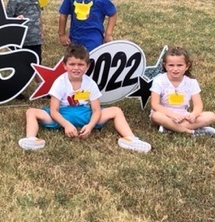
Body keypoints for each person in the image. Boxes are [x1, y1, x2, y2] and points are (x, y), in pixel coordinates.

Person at [18, 44, 152, 152]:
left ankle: (130, 139)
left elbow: (97, 110)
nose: (76, 68)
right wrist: (67, 125)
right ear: (65, 65)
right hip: (61, 115)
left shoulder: (90, 83)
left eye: (81, 64)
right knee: (31, 112)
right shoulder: (60, 82)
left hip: (85, 115)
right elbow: (54, 111)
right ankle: (31, 139)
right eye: (72, 64)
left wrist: (90, 126)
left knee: (116, 110)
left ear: (87, 66)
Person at [149, 47, 215, 136]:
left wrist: (194, 114)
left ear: (187, 66)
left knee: (211, 116)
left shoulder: (191, 82)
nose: (175, 69)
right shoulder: (159, 80)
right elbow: (155, 105)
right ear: (165, 65)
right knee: (156, 116)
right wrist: (172, 115)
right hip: (165, 115)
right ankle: (191, 131)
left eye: (179, 65)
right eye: (171, 65)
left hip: (183, 116)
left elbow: (198, 105)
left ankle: (170, 128)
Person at [5, 0, 44, 64]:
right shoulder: (15, 0)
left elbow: (39, 15)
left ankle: (39, 79)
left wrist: (41, 31)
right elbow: (7, 19)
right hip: (21, 40)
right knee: (20, 65)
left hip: (35, 40)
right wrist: (16, 19)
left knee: (37, 63)